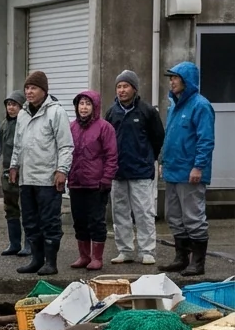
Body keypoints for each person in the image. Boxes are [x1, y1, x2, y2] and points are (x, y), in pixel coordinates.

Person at [10, 71, 73, 276]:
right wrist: (14, 166)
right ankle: (36, 260)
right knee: (29, 220)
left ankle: (51, 262)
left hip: (48, 179)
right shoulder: (22, 113)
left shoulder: (56, 112)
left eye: (33, 88)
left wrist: (62, 170)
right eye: (27, 88)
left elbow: (65, 145)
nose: (28, 92)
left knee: (49, 221)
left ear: (44, 91)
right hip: (26, 179)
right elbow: (18, 144)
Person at [158, 62, 216, 277]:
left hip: (190, 172)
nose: (171, 81)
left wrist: (198, 166)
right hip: (173, 170)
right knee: (174, 216)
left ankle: (197, 263)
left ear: (186, 80)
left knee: (193, 216)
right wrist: (163, 161)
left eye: (175, 77)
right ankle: (181, 258)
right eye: (170, 78)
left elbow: (206, 139)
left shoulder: (201, 106)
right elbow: (169, 136)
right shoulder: (173, 106)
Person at [105, 70, 165, 265]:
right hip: (118, 172)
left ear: (134, 88)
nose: (122, 90)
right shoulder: (111, 112)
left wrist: (150, 159)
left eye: (125, 86)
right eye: (119, 86)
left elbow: (158, 138)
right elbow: (106, 141)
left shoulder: (147, 111)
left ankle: (147, 250)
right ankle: (125, 250)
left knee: (144, 212)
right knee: (120, 212)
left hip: (141, 171)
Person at [67, 90, 118, 271]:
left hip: (96, 184)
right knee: (79, 220)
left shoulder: (105, 128)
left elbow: (112, 156)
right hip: (75, 182)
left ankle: (97, 257)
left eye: (88, 104)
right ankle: (84, 256)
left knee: (96, 220)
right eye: (81, 104)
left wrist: (106, 179)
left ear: (95, 107)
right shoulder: (71, 127)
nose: (84, 107)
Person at [0, 89, 30, 258]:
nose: (11, 108)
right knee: (10, 208)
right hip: (6, 172)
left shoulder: (26, 124)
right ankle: (14, 243)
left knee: (27, 209)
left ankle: (29, 244)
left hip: (23, 171)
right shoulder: (4, 124)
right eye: (9, 105)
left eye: (14, 105)